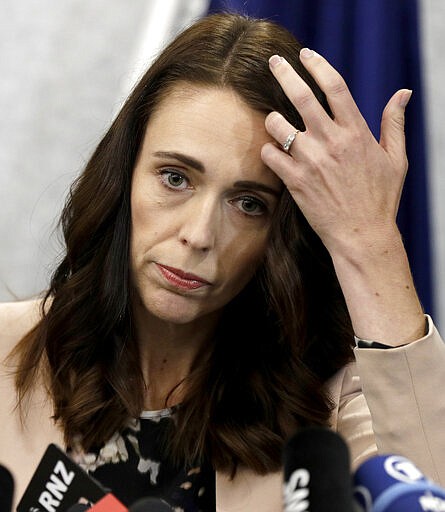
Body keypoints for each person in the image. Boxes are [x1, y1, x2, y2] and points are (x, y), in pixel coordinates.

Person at [1, 12, 444, 512]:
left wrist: (371, 242)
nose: (199, 235)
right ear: (122, 175)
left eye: (249, 203)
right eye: (175, 178)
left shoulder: (332, 405)